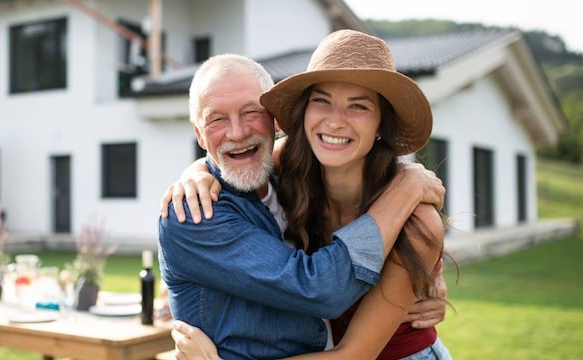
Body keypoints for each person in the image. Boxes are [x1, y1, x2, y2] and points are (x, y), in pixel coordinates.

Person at [162, 30, 453, 359]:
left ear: (381, 125)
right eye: (322, 101)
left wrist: (407, 187)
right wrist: (195, 172)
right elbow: (233, 155)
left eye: (357, 106)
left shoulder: (417, 221)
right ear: (305, 113)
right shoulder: (293, 168)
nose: (335, 122)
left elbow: (352, 354)